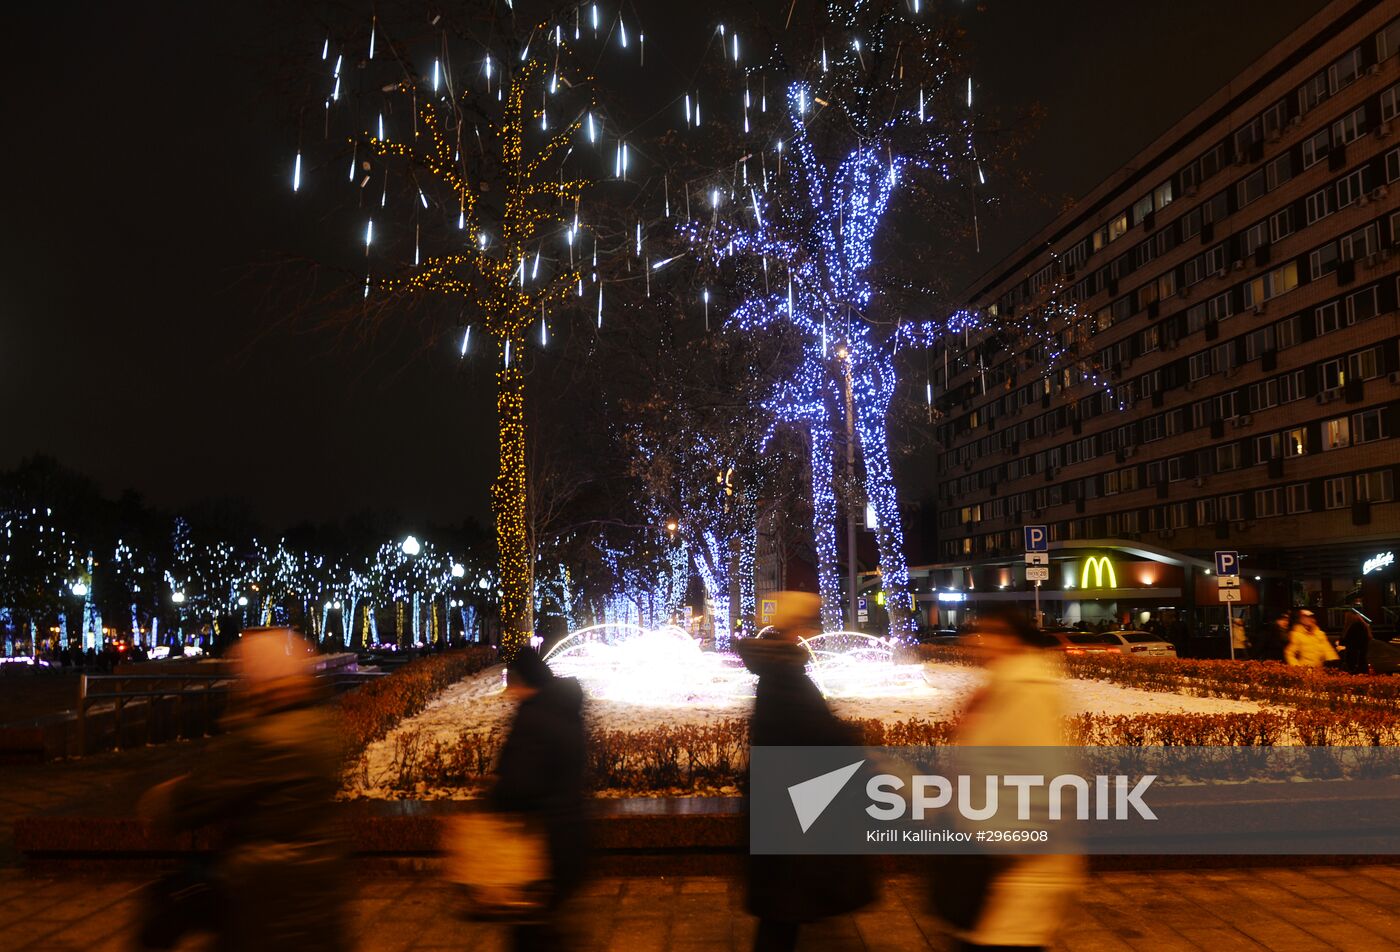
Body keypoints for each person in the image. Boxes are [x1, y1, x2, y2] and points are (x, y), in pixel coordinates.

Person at [138, 628, 347, 951]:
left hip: (264, 894)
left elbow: (195, 796)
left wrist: (161, 801)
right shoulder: (316, 725)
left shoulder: (264, 739)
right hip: (317, 885)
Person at [931, 607, 1085, 952]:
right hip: (993, 867)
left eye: (993, 634)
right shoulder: (1000, 687)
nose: (980, 642)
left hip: (1015, 873)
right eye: (978, 633)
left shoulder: (1026, 691)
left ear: (1015, 641)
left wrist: (998, 844)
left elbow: (1050, 782)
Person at [734, 591, 875, 952]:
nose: (812, 629)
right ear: (796, 626)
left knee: (783, 912)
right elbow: (813, 735)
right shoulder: (785, 675)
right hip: (792, 813)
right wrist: (850, 741)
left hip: (788, 808)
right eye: (810, 621)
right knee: (783, 911)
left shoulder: (779, 670)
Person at [490, 646, 588, 951]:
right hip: (571, 836)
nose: (510, 691)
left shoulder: (534, 719)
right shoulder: (565, 709)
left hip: (540, 846)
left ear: (524, 680)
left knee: (532, 935)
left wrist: (494, 792)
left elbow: (520, 785)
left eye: (512, 682)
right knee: (545, 928)